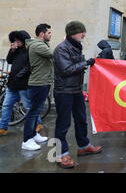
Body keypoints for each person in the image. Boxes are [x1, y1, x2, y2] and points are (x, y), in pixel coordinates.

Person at [53, 21, 102, 169]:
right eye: (82, 32)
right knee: (63, 124)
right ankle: (60, 155)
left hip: (75, 90)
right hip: (64, 92)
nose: (84, 34)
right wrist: (86, 63)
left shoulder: (75, 47)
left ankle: (83, 145)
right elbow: (66, 69)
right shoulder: (61, 49)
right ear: (73, 33)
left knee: (81, 119)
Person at [0, 31, 42, 136]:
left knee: (29, 106)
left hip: (23, 85)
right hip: (12, 85)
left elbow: (29, 66)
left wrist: (19, 75)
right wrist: (12, 50)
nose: (16, 42)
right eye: (15, 41)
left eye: (18, 41)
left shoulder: (29, 50)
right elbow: (9, 61)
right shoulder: (16, 50)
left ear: (23, 40)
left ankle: (38, 124)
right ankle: (3, 127)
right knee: (6, 106)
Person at [22, 24, 54, 151]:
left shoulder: (41, 44)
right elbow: (53, 54)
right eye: (49, 33)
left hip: (42, 82)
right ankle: (26, 140)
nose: (51, 35)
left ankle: (33, 135)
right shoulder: (37, 45)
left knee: (37, 111)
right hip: (38, 83)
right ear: (42, 34)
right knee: (33, 112)